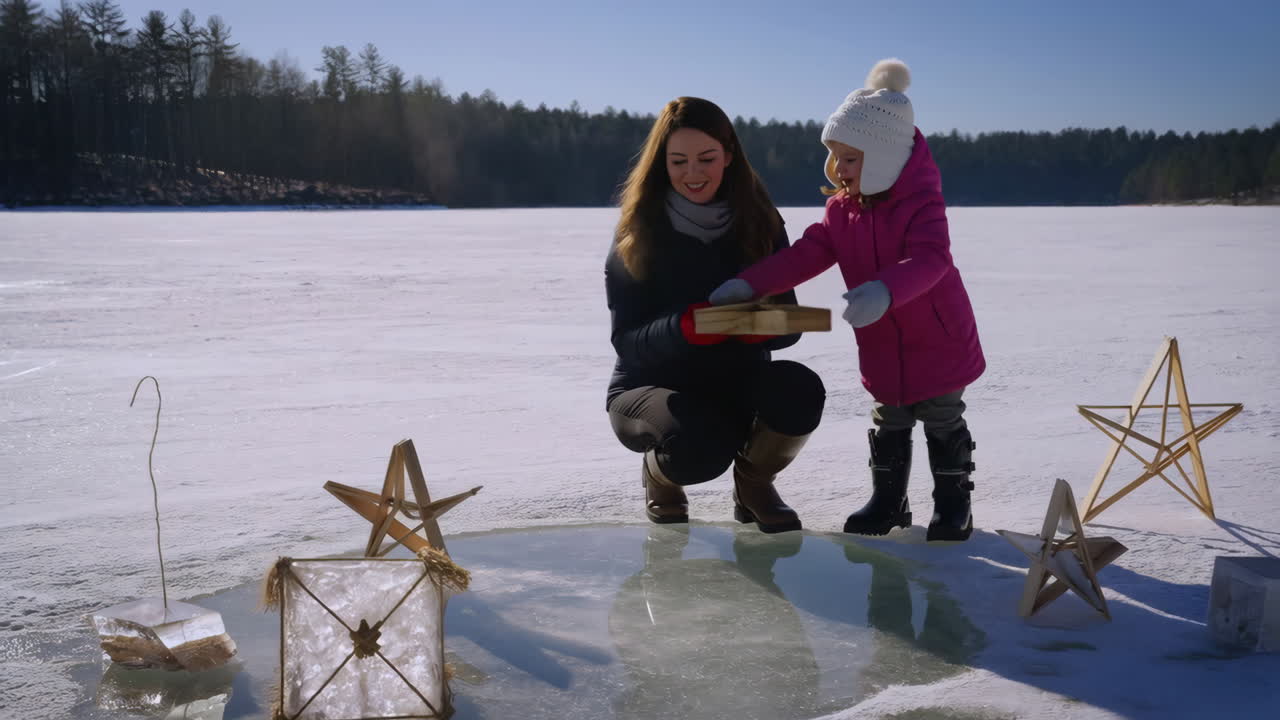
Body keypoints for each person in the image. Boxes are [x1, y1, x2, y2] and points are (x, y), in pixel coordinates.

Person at [710, 59, 985, 541]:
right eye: (834, 156)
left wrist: (885, 289)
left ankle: (953, 506)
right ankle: (888, 502)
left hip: (938, 338)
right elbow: (809, 253)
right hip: (882, 340)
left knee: (942, 417)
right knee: (889, 416)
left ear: (883, 158)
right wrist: (750, 285)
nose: (838, 169)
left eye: (851, 158)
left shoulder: (922, 204)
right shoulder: (842, 209)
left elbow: (932, 259)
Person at [604, 96, 826, 534]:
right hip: (651, 387)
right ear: (661, 164)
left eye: (706, 158)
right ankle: (659, 476)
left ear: (728, 156)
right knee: (698, 448)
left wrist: (754, 331)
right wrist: (686, 328)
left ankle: (754, 483)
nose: (693, 173)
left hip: (736, 377)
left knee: (801, 390)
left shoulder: (760, 223)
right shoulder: (638, 231)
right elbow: (628, 341)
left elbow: (789, 322)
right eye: (678, 161)